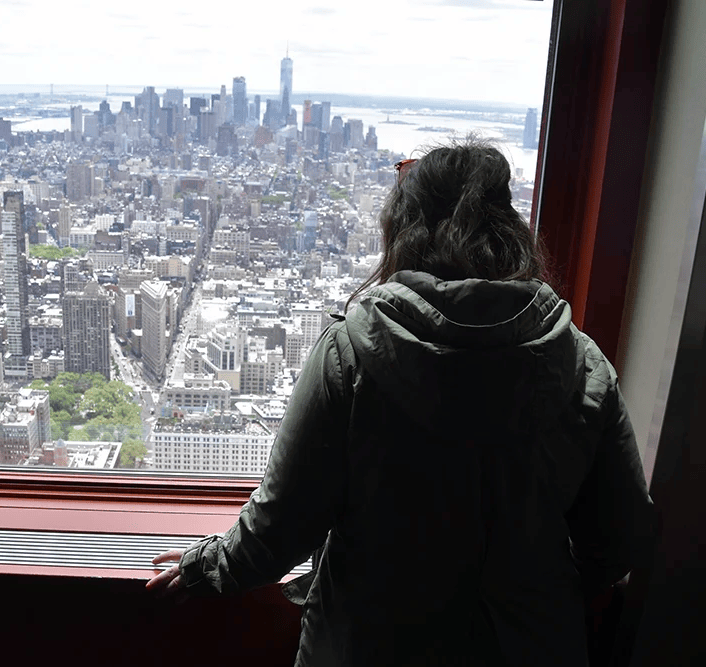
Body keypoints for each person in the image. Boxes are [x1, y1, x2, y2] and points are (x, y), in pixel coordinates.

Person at [146, 138, 657, 666]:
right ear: (511, 233)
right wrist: (531, 583)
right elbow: (621, 539)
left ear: (404, 233)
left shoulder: (353, 353)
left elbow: (279, 529)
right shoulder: (581, 363)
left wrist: (202, 568)